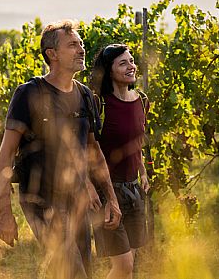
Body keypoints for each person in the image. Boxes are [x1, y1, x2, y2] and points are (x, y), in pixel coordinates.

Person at [0, 20, 122, 279]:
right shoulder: (29, 94)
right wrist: (4, 214)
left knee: (82, 270)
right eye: (73, 45)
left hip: (76, 202)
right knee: (71, 270)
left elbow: (93, 151)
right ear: (52, 54)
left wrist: (111, 198)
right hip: (39, 200)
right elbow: (5, 155)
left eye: (81, 44)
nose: (81, 49)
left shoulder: (86, 96)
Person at [89, 44, 150, 279]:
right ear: (109, 71)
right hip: (108, 191)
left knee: (130, 265)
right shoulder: (100, 104)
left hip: (133, 189)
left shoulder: (141, 100)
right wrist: (101, 193)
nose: (131, 66)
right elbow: (89, 151)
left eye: (131, 60)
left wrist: (142, 172)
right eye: (123, 63)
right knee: (123, 265)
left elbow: (137, 141)